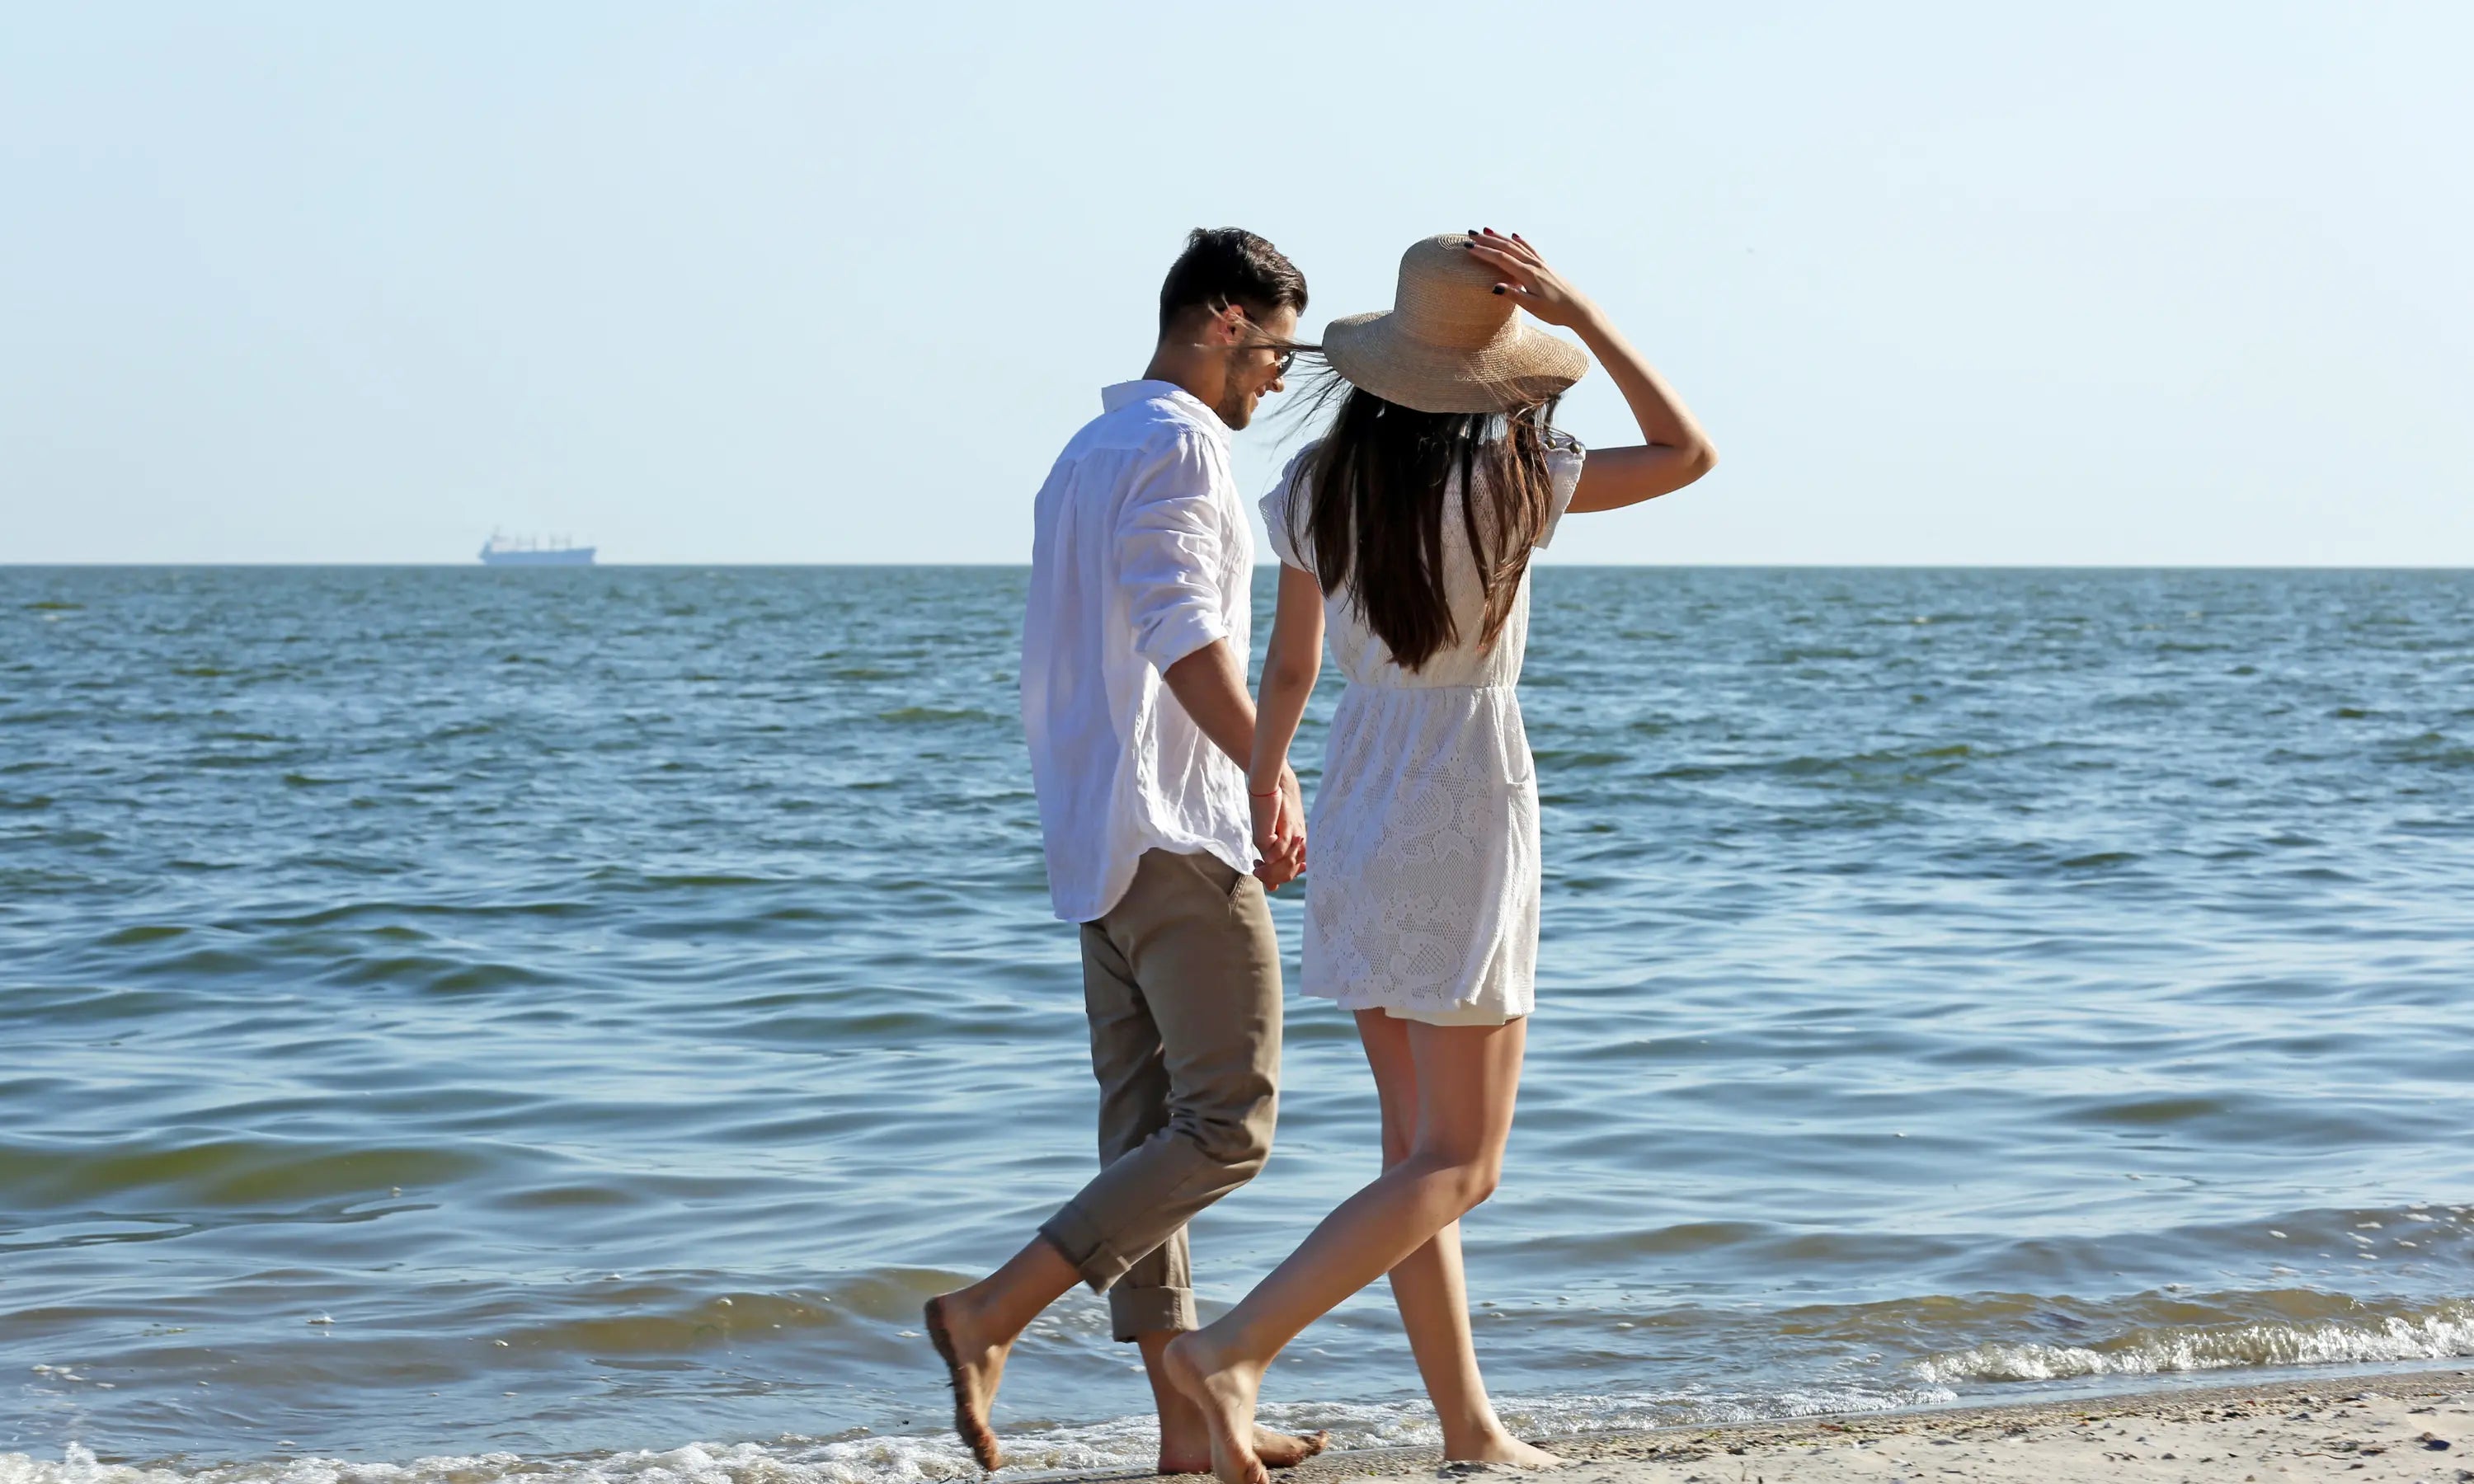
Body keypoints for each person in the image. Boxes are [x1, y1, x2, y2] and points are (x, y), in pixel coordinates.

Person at [1162, 230, 1719, 1484]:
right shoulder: (1518, 473)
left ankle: (1468, 1428)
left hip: (1360, 783)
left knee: (1415, 1155)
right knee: (1461, 1164)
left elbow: (1290, 667)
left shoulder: (1315, 480)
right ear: (1490, 373)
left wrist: (1267, 783)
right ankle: (1233, 1352)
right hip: (1467, 789)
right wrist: (1586, 316)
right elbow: (1688, 453)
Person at [921, 228, 1329, 1476]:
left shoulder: (1082, 453)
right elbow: (1181, 629)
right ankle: (991, 1313)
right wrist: (1267, 771)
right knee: (1230, 1127)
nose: (1280, 377)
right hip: (1174, 828)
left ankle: (1188, 1431)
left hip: (1095, 837)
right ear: (1224, 321)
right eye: (1276, 349)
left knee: (1149, 1130)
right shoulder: (1181, 445)